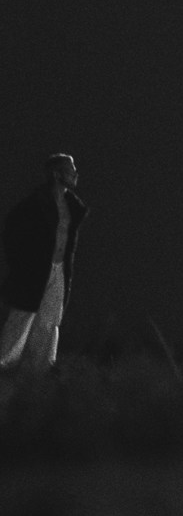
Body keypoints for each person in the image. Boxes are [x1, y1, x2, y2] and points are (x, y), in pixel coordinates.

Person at [3, 153, 89, 372]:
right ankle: (5, 365)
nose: (75, 175)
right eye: (70, 171)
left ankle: (41, 370)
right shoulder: (35, 203)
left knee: (50, 321)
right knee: (22, 315)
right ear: (56, 174)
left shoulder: (72, 205)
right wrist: (21, 263)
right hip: (34, 269)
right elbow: (11, 231)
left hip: (59, 269)